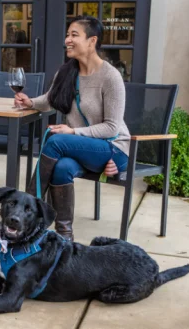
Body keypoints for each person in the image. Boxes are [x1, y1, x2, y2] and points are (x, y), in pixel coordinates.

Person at [14, 15, 129, 241]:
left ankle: (27, 209)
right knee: (61, 168)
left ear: (92, 41)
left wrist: (73, 132)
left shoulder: (110, 77)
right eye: (67, 35)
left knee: (56, 140)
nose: (67, 39)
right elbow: (49, 99)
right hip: (84, 148)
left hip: (114, 149)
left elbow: (112, 127)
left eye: (74, 35)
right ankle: (64, 239)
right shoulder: (67, 71)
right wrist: (30, 102)